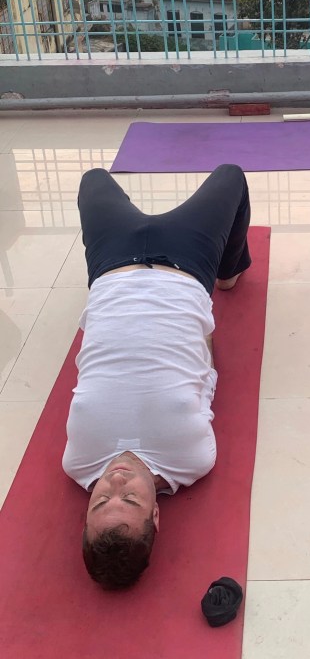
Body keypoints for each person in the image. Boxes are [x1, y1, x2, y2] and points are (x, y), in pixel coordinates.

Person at [62, 163, 252, 589]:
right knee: (230, 176)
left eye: (99, 502)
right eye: (129, 498)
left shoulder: (76, 462)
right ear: (155, 514)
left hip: (112, 267)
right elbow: (207, 372)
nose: (115, 481)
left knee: (93, 179)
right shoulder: (192, 459)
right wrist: (195, 318)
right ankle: (230, 269)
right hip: (186, 264)